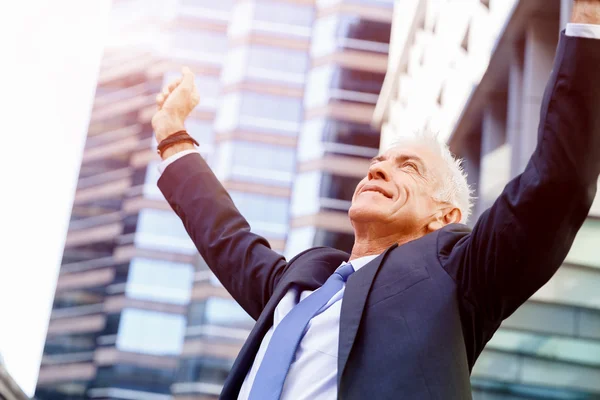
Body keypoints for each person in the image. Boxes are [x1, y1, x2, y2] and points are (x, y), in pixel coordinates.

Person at [150, 2, 600, 398]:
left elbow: (556, 183)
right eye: (378, 161)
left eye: (408, 167)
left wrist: (588, 16)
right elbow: (227, 238)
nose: (377, 168)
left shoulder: (460, 274)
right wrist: (173, 137)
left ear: (444, 216)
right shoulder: (304, 279)